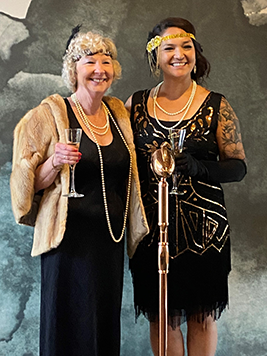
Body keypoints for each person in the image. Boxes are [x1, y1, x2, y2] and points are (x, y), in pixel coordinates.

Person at [10, 27, 149, 356]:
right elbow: (27, 182)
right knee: (67, 331)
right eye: (90, 61)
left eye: (106, 61)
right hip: (67, 243)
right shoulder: (50, 113)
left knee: (102, 328)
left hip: (109, 242)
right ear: (73, 69)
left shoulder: (119, 114)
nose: (99, 69)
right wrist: (54, 162)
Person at [125, 17, 246, 356]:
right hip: (150, 230)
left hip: (205, 232)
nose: (179, 54)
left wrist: (199, 167)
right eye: (169, 47)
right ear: (156, 56)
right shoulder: (134, 106)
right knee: (161, 318)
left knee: (201, 316)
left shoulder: (217, 106)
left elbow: (238, 168)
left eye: (186, 46)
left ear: (196, 52)